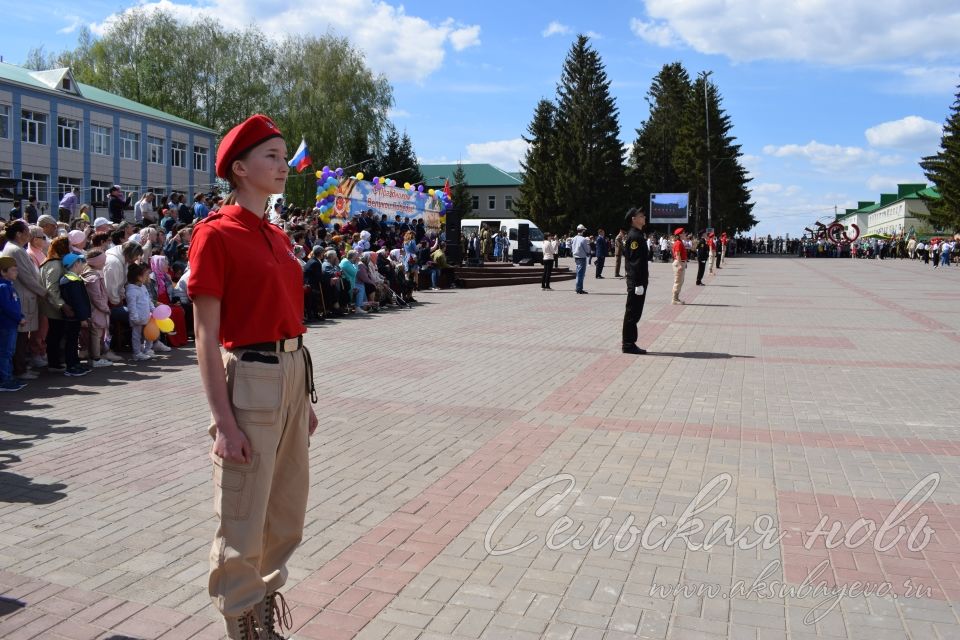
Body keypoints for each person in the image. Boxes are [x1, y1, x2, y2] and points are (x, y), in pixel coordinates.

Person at [187, 114, 318, 640]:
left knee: (286, 508)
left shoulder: (275, 235)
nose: (283, 165)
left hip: (291, 372)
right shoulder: (216, 234)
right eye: (272, 156)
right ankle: (242, 622)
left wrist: (301, 398)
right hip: (252, 377)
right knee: (242, 510)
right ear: (239, 168)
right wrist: (223, 422)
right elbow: (204, 334)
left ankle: (262, 607)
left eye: (284, 156)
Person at [2, 222, 45, 380]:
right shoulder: (15, 250)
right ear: (19, 234)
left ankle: (20, 367)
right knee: (20, 336)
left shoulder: (14, 248)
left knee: (21, 336)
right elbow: (26, 276)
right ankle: (19, 369)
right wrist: (43, 292)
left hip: (24, 295)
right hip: (23, 295)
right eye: (27, 232)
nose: (29, 236)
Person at [59, 253, 93, 376]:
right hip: (74, 317)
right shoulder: (72, 280)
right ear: (76, 264)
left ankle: (75, 363)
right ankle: (71, 366)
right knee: (71, 342)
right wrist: (83, 318)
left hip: (73, 317)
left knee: (72, 341)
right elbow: (78, 301)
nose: (83, 265)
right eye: (82, 263)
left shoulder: (68, 278)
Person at [621, 208, 649, 355]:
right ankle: (628, 344)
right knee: (632, 313)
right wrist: (638, 283)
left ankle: (629, 342)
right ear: (633, 219)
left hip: (639, 280)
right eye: (641, 216)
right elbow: (633, 262)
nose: (644, 217)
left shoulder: (638, 235)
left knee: (635, 313)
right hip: (636, 281)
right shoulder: (635, 236)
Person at [82, 250, 114, 368]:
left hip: (96, 309)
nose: (104, 264)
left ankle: (96, 356)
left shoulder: (91, 273)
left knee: (97, 333)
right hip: (96, 310)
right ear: (96, 262)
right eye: (103, 261)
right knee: (96, 333)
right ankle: (95, 358)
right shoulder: (93, 277)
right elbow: (96, 296)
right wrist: (105, 308)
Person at [0, 256, 27, 391]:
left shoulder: (9, 285)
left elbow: (15, 305)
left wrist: (20, 315)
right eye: (13, 270)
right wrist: (18, 318)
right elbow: (7, 307)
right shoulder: (3, 287)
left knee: (9, 352)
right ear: (3, 272)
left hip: (11, 324)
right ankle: (5, 379)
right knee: (5, 352)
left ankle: (9, 376)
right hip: (6, 325)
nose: (16, 272)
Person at [125, 263, 156, 361]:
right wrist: (135, 318)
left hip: (146, 316)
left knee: (150, 334)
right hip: (137, 318)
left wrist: (153, 310)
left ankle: (147, 350)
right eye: (146, 275)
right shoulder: (131, 290)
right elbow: (132, 306)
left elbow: (148, 300)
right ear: (138, 277)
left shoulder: (142, 287)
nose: (148, 277)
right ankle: (137, 353)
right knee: (136, 336)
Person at [571, 224, 590, 294]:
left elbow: (572, 247)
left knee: (578, 273)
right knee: (581, 274)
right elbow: (587, 250)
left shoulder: (574, 238)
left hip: (576, 257)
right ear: (582, 231)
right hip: (582, 257)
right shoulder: (583, 239)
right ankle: (579, 289)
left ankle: (578, 288)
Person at [671, 227, 687, 305]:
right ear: (679, 235)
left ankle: (676, 298)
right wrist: (680, 264)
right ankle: (674, 299)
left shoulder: (680, 242)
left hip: (680, 262)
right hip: (678, 263)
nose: (685, 234)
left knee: (680, 281)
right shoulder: (678, 243)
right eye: (683, 233)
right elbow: (677, 254)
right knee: (678, 281)